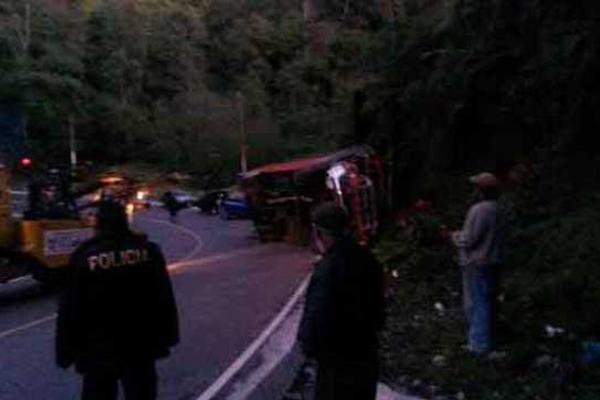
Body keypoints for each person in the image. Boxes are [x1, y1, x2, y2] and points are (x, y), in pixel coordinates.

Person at [56, 201, 179, 400]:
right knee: (142, 392)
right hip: (140, 344)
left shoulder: (84, 257)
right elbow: (164, 298)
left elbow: (70, 309)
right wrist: (168, 336)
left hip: (98, 348)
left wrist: (65, 352)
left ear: (99, 223)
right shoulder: (147, 251)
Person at [298, 202, 385, 400]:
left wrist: (308, 344)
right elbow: (379, 306)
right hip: (366, 353)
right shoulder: (367, 258)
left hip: (337, 361)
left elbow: (317, 314)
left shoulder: (327, 268)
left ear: (319, 233)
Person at [452, 172, 505, 354]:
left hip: (477, 262)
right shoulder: (498, 208)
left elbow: (468, 240)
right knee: (489, 302)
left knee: (477, 303)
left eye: (476, 187)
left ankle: (478, 345)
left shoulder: (479, 210)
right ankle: (486, 340)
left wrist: (455, 236)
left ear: (481, 191)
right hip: (494, 260)